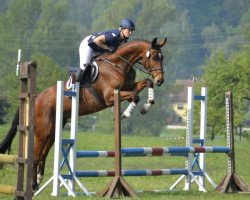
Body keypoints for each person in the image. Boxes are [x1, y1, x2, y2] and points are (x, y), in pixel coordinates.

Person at [76, 18, 135, 82]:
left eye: (132, 30)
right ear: (123, 29)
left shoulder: (124, 41)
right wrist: (108, 48)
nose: (130, 33)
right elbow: (96, 40)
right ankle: (74, 84)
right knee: (84, 66)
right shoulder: (113, 36)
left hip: (99, 49)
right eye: (129, 30)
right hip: (88, 44)